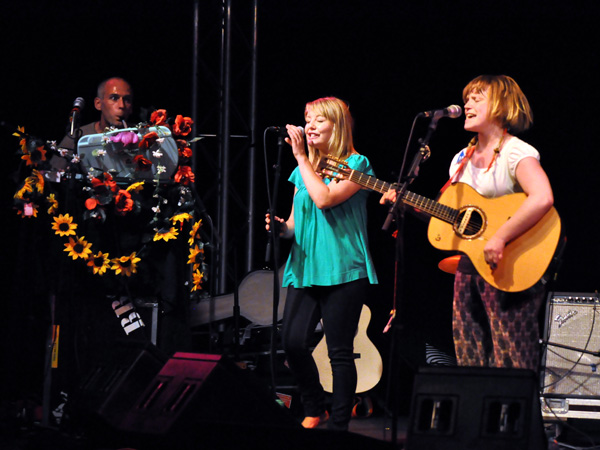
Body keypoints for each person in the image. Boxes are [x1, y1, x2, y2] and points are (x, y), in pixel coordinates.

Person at [381, 75, 554, 370]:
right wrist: (406, 204)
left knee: (511, 354)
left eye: (477, 98)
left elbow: (542, 198)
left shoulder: (516, 151)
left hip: (511, 262)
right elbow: (450, 219)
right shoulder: (461, 158)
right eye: (467, 98)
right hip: (469, 265)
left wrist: (499, 237)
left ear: (501, 106)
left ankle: (514, 417)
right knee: (469, 352)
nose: (467, 103)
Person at [265, 97, 378, 431]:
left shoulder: (358, 164)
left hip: (343, 267)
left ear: (337, 126)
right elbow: (296, 223)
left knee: (339, 351)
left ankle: (339, 425)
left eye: (318, 121)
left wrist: (301, 157)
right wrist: (280, 227)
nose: (309, 126)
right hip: (305, 267)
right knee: (293, 342)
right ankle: (315, 407)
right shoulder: (303, 169)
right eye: (307, 119)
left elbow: (325, 199)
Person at [58, 76, 133, 150]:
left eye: (127, 100)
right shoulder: (78, 137)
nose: (122, 105)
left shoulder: (140, 137)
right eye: (114, 98)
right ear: (98, 104)